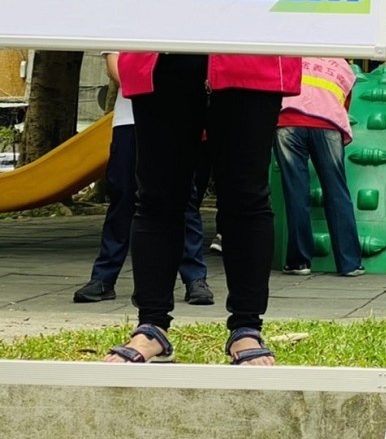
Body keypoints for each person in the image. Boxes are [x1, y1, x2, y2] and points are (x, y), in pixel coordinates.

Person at [102, 53, 300, 366]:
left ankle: (247, 326)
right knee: (157, 196)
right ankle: (151, 325)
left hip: (252, 53)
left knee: (247, 196)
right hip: (160, 54)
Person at [74, 53, 213, 305]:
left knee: (185, 196)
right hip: (130, 119)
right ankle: (104, 277)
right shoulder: (125, 20)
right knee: (123, 196)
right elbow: (115, 66)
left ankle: (195, 278)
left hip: (180, 116)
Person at [275, 57, 364, 277]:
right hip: (328, 125)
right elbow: (344, 103)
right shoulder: (341, 64)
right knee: (337, 191)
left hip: (288, 122)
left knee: (296, 192)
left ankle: (299, 262)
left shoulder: (287, 57)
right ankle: (349, 263)